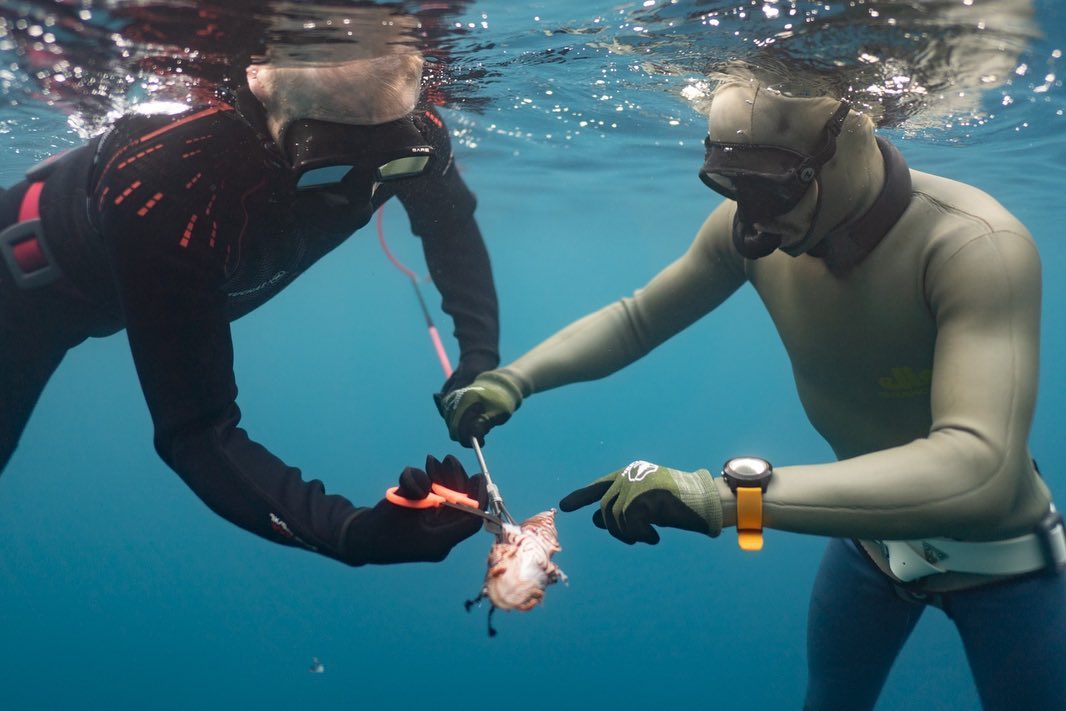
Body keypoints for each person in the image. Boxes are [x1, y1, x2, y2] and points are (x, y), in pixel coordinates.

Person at [439, 74, 1066, 709]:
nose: (752, 223)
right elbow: (638, 319)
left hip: (1000, 563)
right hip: (869, 546)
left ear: (837, 155)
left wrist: (722, 498)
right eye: (732, 189)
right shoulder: (759, 234)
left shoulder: (973, 245)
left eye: (765, 191)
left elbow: (976, 467)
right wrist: (511, 380)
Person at [0, 51, 499, 567]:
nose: (356, 198)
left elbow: (452, 228)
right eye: (329, 166)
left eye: (391, 163)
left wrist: (479, 354)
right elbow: (197, 433)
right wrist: (352, 533)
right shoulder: (167, 180)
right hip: (22, 287)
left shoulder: (419, 134)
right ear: (259, 98)